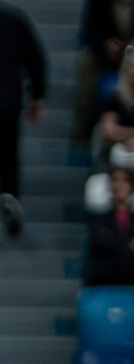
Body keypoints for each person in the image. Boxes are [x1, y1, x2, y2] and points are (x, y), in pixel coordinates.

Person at [0, 0, 45, 234]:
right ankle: (10, 199)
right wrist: (38, 95)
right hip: (7, 101)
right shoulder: (13, 19)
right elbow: (35, 59)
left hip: (7, 100)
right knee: (8, 156)